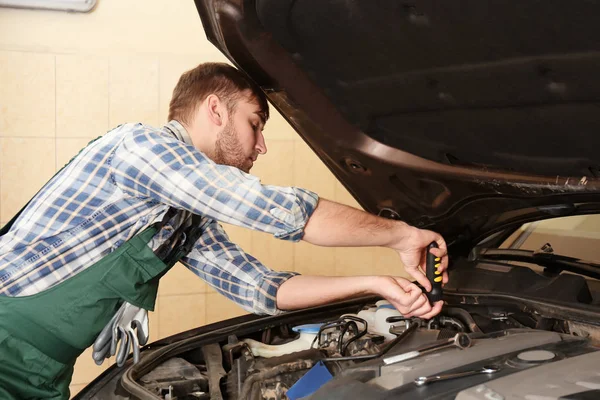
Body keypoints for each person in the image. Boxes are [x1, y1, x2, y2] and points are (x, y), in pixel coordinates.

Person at [0, 62, 448, 399]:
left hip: (46, 373)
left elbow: (262, 289)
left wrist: (374, 284)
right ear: (215, 108)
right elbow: (275, 211)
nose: (262, 145)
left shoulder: (185, 217)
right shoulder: (139, 146)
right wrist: (401, 235)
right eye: (255, 123)